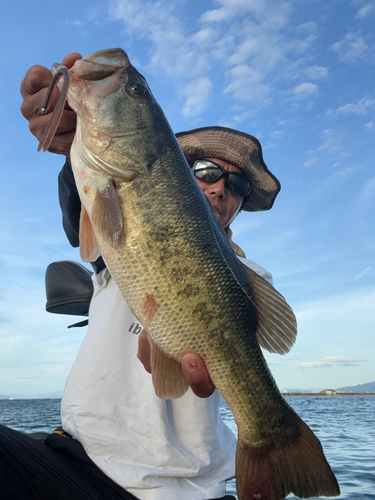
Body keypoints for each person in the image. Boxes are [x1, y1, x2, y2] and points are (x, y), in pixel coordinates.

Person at [0, 52, 280, 500]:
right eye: (206, 171)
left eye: (238, 184)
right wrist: (73, 140)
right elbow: (86, 218)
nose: (220, 188)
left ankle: (270, 438)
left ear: (242, 202)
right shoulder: (119, 238)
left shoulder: (252, 276)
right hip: (80, 463)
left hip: (193, 485)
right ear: (181, 174)